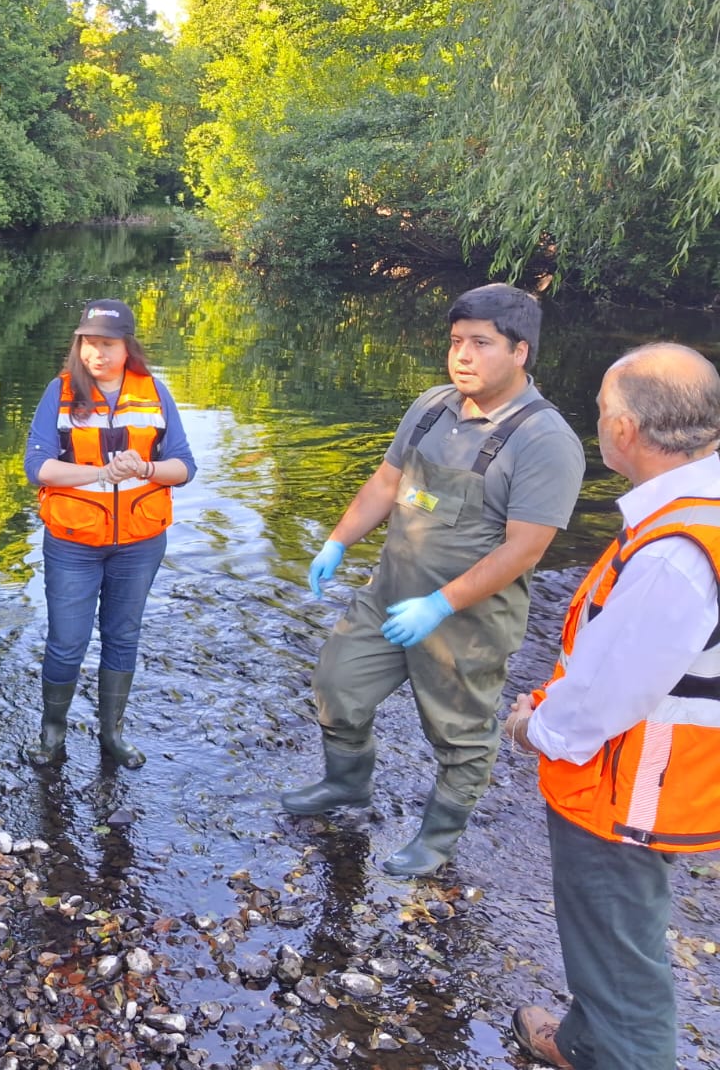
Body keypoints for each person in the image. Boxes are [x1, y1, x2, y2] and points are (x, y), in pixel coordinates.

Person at [282, 283, 586, 876]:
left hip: (466, 620)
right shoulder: (432, 406)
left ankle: (438, 838)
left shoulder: (545, 440)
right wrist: (337, 541)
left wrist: (440, 605)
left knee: (461, 734)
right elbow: (385, 483)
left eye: (480, 343)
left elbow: (526, 549)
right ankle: (347, 785)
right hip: (390, 594)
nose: (462, 356)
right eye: (455, 342)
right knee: (336, 685)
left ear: (520, 351)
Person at [503, 344, 720, 1070]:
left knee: (622, 955)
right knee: (607, 934)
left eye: (599, 410)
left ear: (624, 431)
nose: (597, 423)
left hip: (630, 789)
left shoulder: (671, 552)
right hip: (672, 780)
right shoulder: (699, 510)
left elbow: (609, 691)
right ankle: (581, 1041)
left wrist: (535, 726)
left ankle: (615, 1046)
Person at [21, 299, 195, 769]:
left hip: (139, 543)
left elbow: (184, 467)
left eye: (107, 343)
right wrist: (100, 473)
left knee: (123, 637)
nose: (96, 353)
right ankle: (51, 734)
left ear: (126, 346)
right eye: (88, 343)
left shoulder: (155, 392)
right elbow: (36, 468)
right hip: (73, 542)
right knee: (67, 641)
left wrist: (146, 467)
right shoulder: (58, 394)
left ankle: (111, 734)